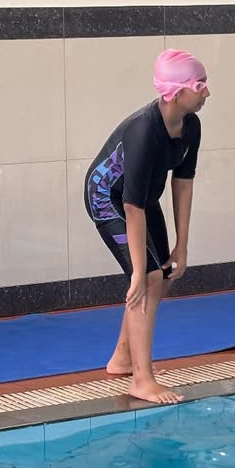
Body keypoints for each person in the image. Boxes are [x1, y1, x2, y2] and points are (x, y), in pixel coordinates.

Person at [84, 49, 209, 405]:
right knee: (148, 278)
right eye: (199, 85)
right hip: (108, 198)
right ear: (176, 92)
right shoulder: (143, 131)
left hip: (142, 199)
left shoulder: (191, 126)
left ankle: (123, 357)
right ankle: (141, 379)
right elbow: (131, 207)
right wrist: (138, 271)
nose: (207, 91)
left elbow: (183, 183)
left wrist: (182, 245)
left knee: (163, 273)